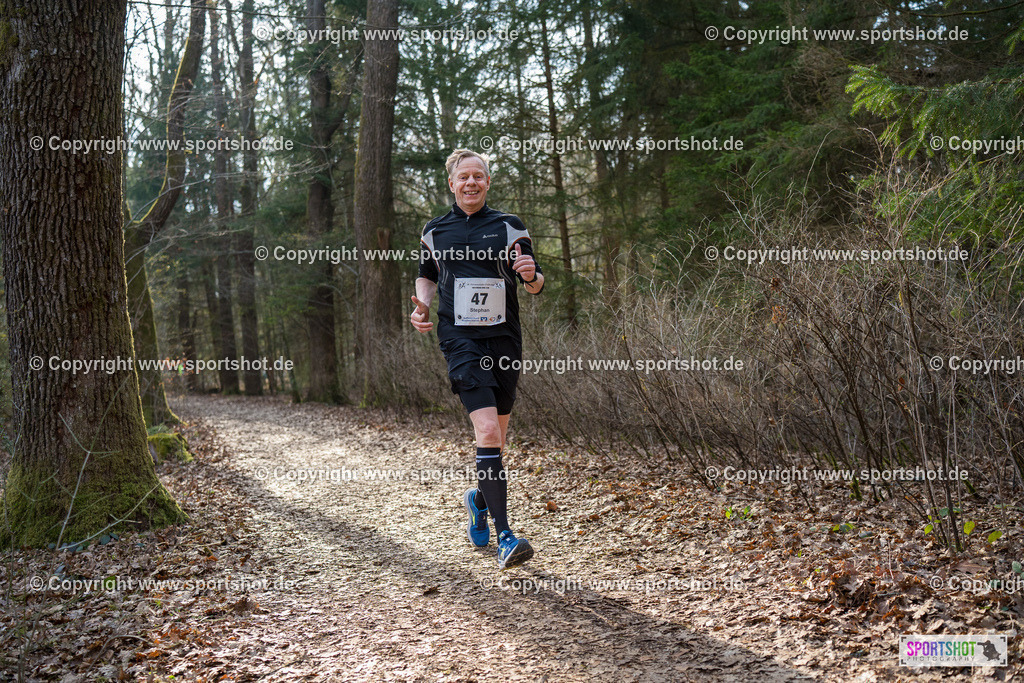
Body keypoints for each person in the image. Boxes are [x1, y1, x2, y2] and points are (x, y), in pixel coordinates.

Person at [410, 149, 544, 569]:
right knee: (485, 429)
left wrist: (530, 275)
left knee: (496, 440)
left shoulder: (509, 225)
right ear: (452, 184)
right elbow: (427, 274)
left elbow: (535, 282)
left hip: (504, 339)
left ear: (487, 182)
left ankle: (479, 500)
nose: (471, 183)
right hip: (459, 338)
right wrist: (422, 305)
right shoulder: (435, 230)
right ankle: (506, 536)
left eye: (478, 176)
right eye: (463, 177)